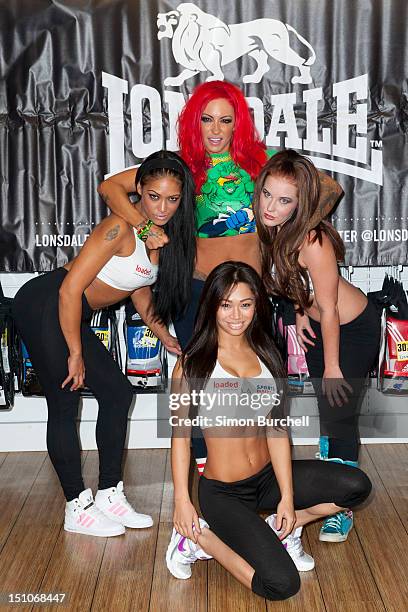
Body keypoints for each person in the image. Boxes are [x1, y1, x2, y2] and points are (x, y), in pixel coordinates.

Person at [98, 81, 343, 473]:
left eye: (225, 121)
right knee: (198, 388)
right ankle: (204, 481)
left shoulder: (259, 160)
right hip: (197, 292)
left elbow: (329, 188)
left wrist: (295, 232)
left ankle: (266, 478)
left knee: (261, 386)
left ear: (237, 124)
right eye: (206, 120)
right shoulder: (181, 167)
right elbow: (110, 187)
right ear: (194, 124)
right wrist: (143, 227)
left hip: (253, 294)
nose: (215, 130)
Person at [12, 150, 196, 538]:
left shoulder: (159, 237)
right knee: (65, 400)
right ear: (139, 193)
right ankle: (76, 506)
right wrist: (76, 353)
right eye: (153, 196)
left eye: (172, 199)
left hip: (68, 310)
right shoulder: (119, 228)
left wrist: (165, 336)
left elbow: (139, 288)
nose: (162, 207)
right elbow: (69, 290)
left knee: (116, 393)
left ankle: (110, 494)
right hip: (47, 303)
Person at [166, 262, 371, 602]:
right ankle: (199, 540)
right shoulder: (193, 364)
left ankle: (285, 527)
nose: (236, 315)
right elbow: (180, 438)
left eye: (245, 304)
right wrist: (182, 502)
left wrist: (288, 500)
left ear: (257, 306)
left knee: (356, 486)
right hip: (223, 493)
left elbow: (277, 430)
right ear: (211, 306)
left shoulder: (267, 354)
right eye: (226, 304)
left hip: (267, 480)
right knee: (281, 585)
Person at [253, 149, 381, 542]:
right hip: (321, 323)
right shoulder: (274, 228)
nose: (271, 207)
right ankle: (331, 487)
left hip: (351, 329)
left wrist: (332, 367)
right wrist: (299, 309)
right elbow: (298, 285)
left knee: (339, 414)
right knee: (329, 415)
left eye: (284, 199)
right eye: (267, 195)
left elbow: (330, 308)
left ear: (301, 203)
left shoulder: (313, 238)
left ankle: (339, 507)